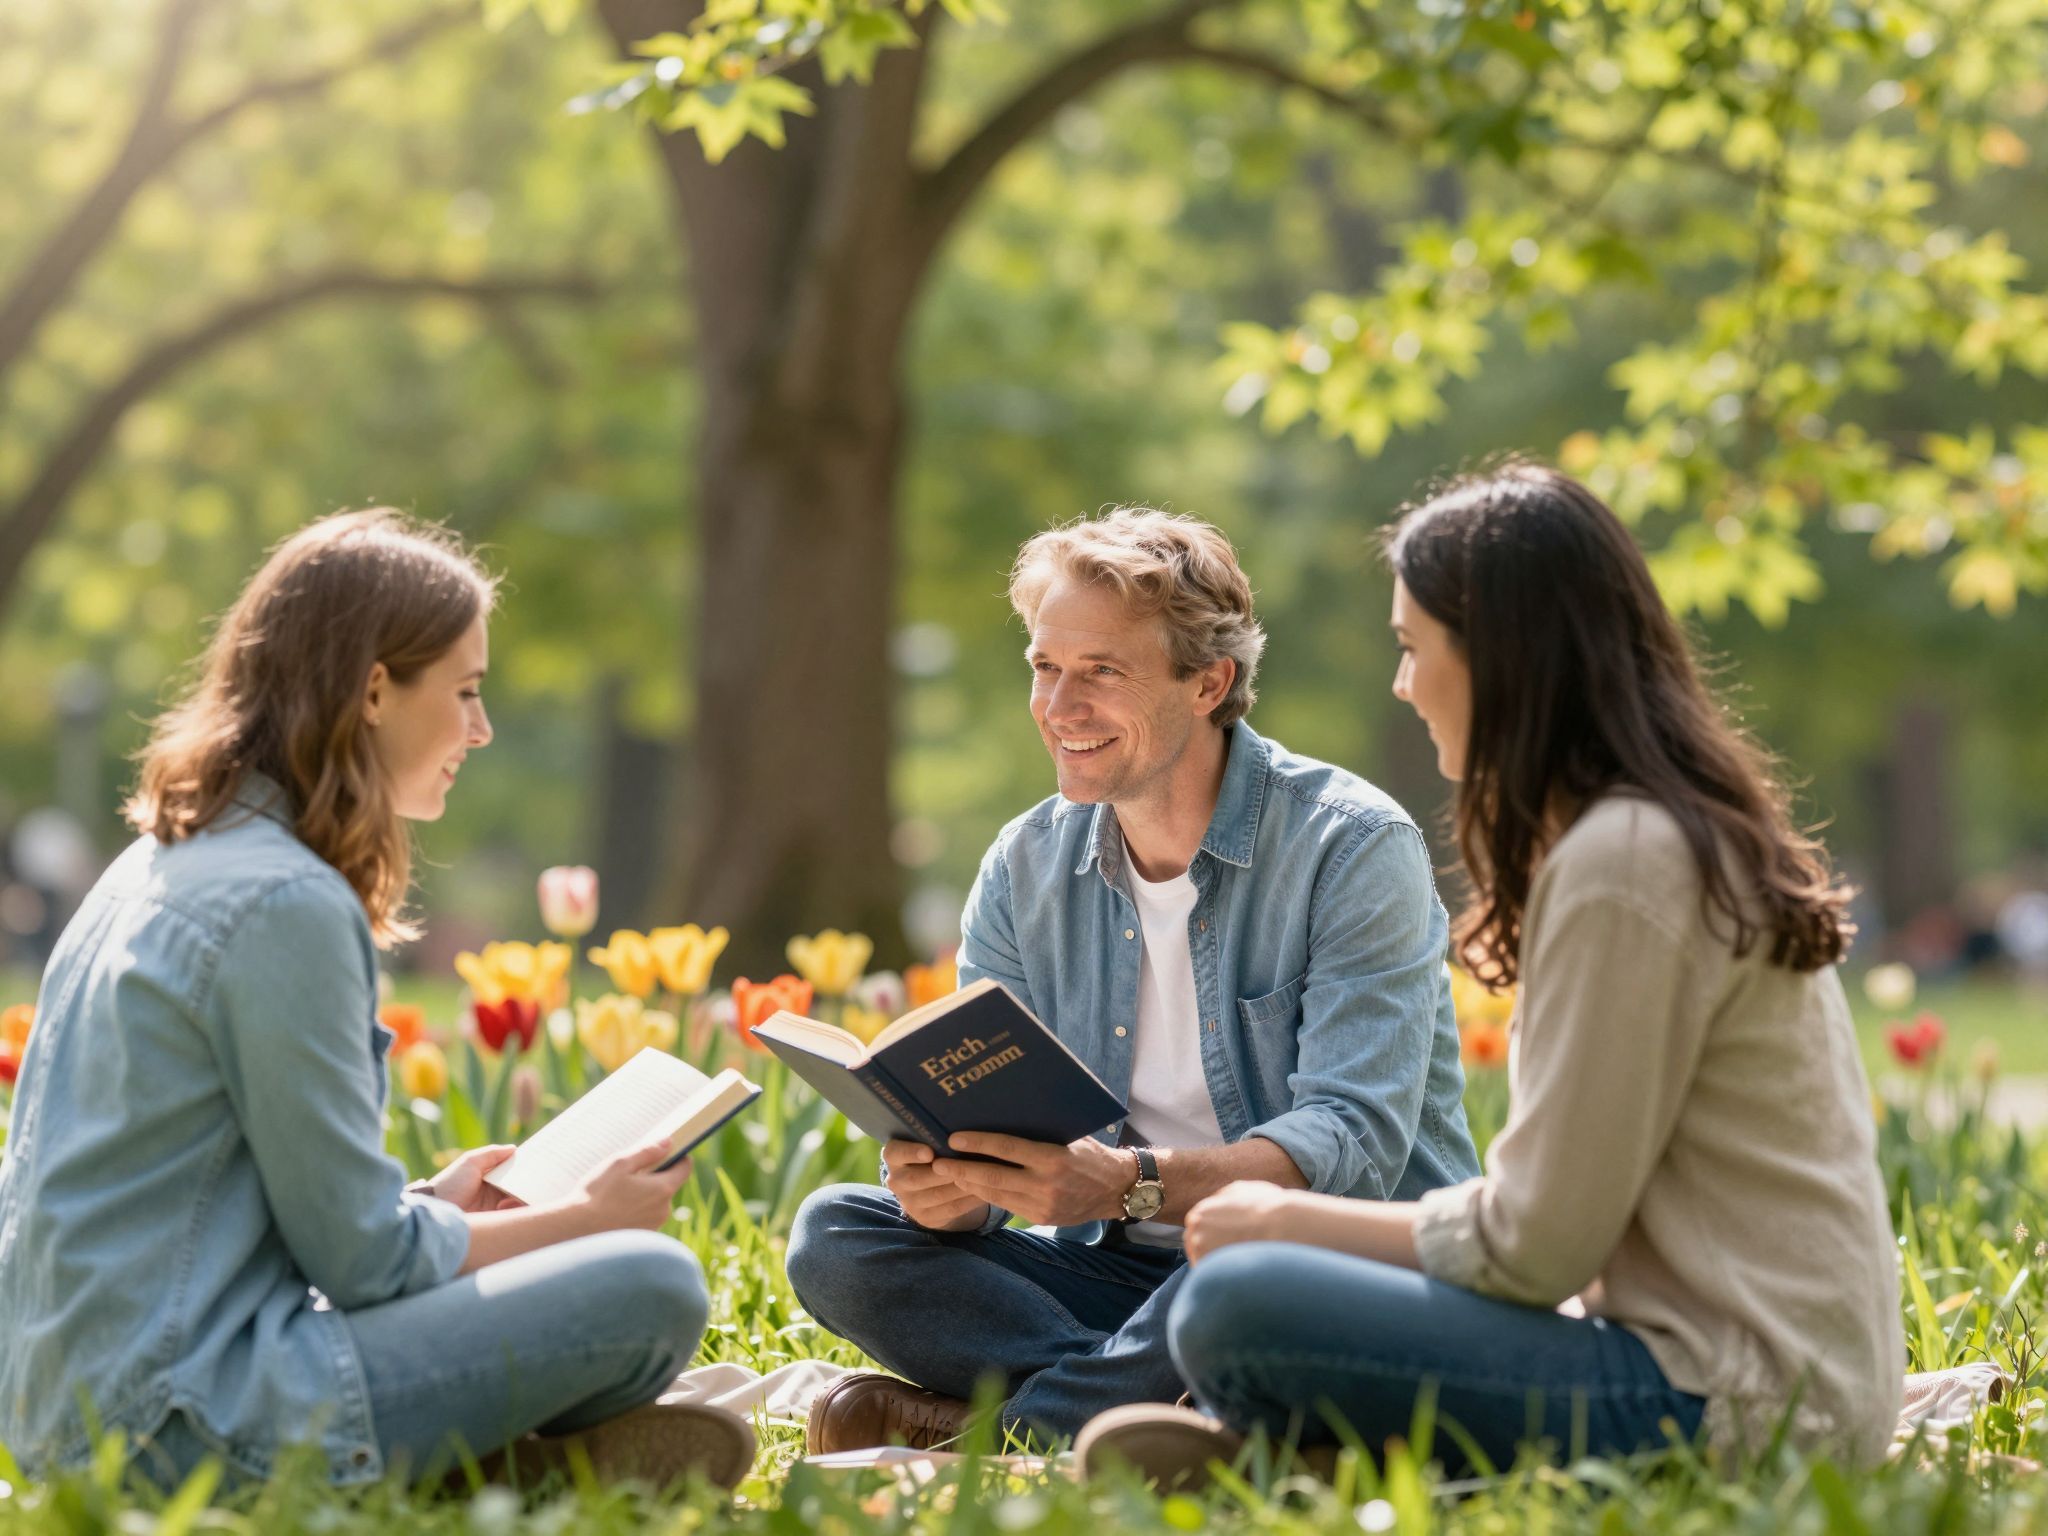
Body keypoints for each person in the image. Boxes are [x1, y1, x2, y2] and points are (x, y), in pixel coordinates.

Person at [1076, 464, 1904, 1484]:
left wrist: (1282, 1219)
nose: (1401, 683)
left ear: (1502, 660)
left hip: (1734, 1407)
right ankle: (1325, 1465)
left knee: (1233, 1303)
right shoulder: (1645, 837)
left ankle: (1309, 1462)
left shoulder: (1625, 863)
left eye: (1411, 647)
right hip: (1739, 1374)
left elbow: (1532, 1246)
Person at [0, 511, 752, 1490]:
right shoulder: (286, 902)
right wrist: (585, 1216)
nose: (480, 729)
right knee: (649, 1284)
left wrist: (429, 1204)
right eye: (467, 691)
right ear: (372, 689)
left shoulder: (157, 864)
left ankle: (495, 1469)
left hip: (64, 1405)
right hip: (174, 1421)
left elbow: (246, 1208)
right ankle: (477, 1471)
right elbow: (364, 1267)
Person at [788, 507, 1479, 1453]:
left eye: (1101, 672)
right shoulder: (1025, 865)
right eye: (1045, 667)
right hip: (1123, 1280)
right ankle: (1192, 1414)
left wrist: (1127, 1186)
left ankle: (1007, 1437)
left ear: (1210, 682)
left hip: (1321, 1260)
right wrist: (954, 1188)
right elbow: (995, 1121)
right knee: (839, 1236)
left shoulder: (1352, 848)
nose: (1058, 706)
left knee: (1247, 1275)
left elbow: (1351, 1144)